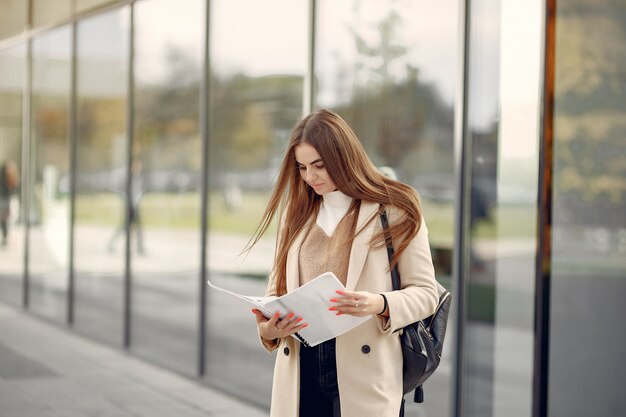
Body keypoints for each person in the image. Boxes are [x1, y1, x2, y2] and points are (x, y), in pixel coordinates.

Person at [247, 109, 438, 417]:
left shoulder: (395, 208)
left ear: (344, 156)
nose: (311, 177)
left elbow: (426, 293)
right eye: (302, 167)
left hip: (365, 369)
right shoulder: (296, 214)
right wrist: (269, 329)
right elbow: (275, 293)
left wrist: (378, 303)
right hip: (301, 369)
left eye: (319, 165)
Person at [0, 160, 20, 247]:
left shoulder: (8, 176)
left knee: (3, 219)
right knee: (3, 219)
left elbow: (12, 189)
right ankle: (5, 236)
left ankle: (5, 236)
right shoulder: (5, 176)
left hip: (4, 200)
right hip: (4, 199)